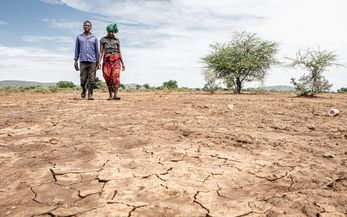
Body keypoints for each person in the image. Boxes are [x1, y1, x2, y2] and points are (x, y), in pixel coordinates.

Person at [98, 24, 125, 100]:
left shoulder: (117, 40)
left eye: (112, 32)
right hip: (107, 60)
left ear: (114, 32)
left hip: (116, 60)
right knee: (108, 77)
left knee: (116, 77)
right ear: (107, 31)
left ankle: (115, 95)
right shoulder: (103, 40)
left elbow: (119, 52)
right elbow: (101, 52)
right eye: (109, 31)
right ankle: (110, 96)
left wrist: (123, 63)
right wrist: (98, 62)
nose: (111, 33)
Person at [74, 21, 99, 100]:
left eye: (89, 25)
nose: (87, 26)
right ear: (83, 26)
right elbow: (77, 49)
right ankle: (84, 89)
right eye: (85, 25)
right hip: (83, 60)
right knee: (83, 79)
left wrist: (98, 62)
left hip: (92, 61)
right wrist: (75, 60)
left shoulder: (94, 38)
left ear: (91, 27)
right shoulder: (79, 37)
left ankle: (90, 95)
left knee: (92, 79)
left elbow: (97, 51)